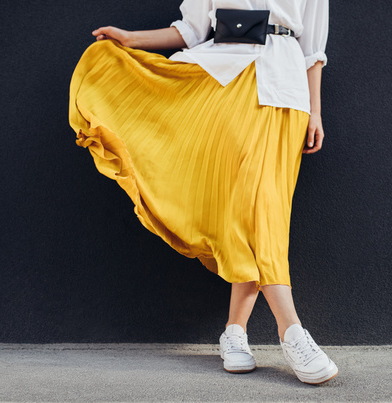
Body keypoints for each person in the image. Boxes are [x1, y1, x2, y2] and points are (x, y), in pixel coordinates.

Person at [68, 0, 337, 385]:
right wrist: (132, 39)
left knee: (262, 209)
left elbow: (313, 48)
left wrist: (316, 111)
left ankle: (234, 333)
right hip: (222, 85)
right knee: (249, 209)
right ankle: (291, 330)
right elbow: (190, 30)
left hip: (284, 88)